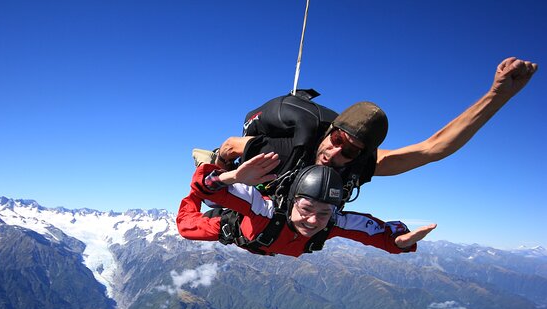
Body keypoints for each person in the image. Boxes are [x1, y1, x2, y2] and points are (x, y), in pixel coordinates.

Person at [195, 57, 538, 203]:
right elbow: (230, 144)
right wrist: (226, 167)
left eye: (350, 150)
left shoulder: (360, 165)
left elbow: (436, 148)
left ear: (361, 154)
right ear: (329, 130)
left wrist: (497, 95)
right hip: (256, 181)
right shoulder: (286, 148)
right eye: (337, 139)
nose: (335, 152)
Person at [177, 153, 436, 257]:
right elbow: (207, 191)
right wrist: (230, 177)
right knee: (186, 228)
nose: (313, 220)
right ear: (291, 201)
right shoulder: (264, 209)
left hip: (261, 238)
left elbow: (373, 231)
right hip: (237, 228)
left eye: (323, 213)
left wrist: (398, 241)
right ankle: (208, 161)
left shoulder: (332, 222)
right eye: (306, 209)